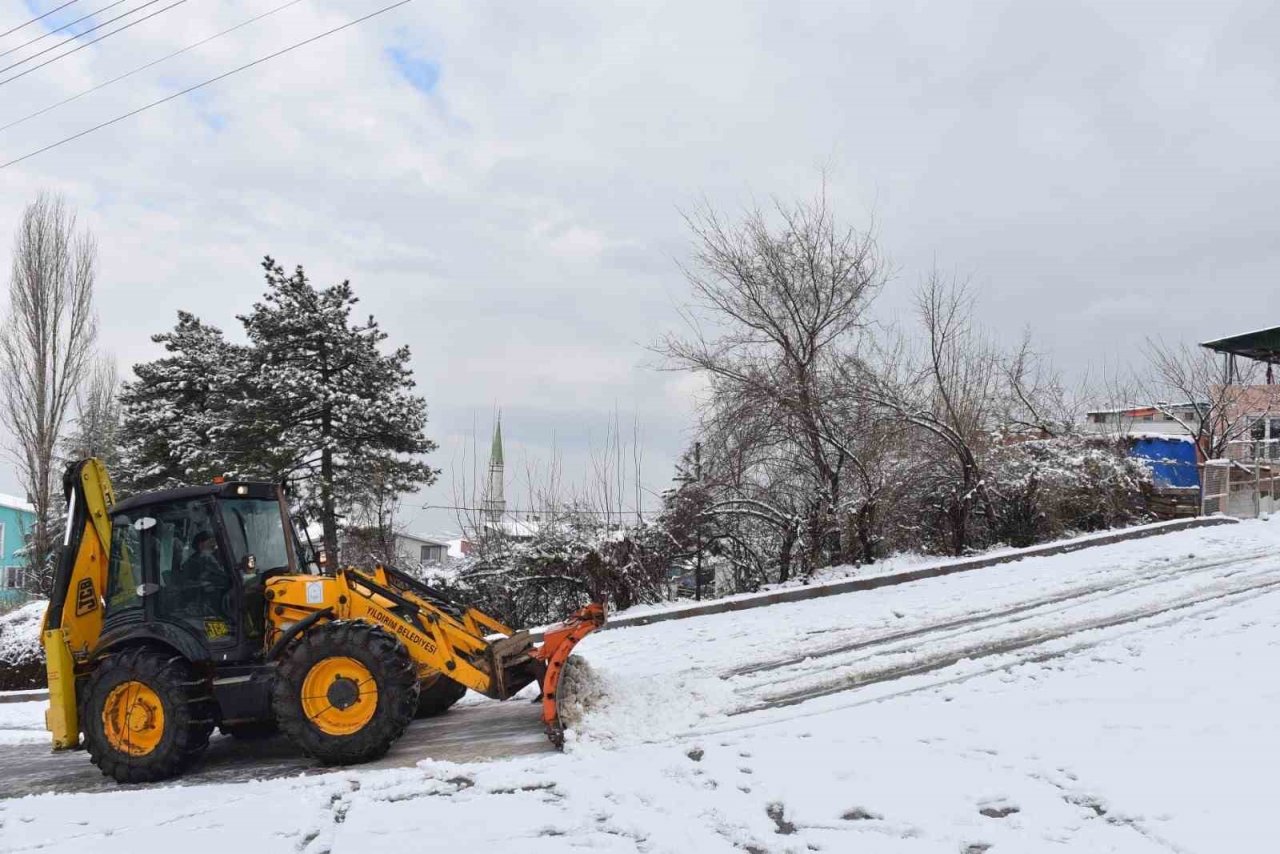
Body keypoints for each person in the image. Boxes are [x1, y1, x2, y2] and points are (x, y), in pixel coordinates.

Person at [178, 531, 231, 616]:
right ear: (201, 544)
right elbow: (224, 577)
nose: (214, 545)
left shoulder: (194, 560)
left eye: (214, 542)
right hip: (204, 604)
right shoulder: (205, 558)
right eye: (211, 542)